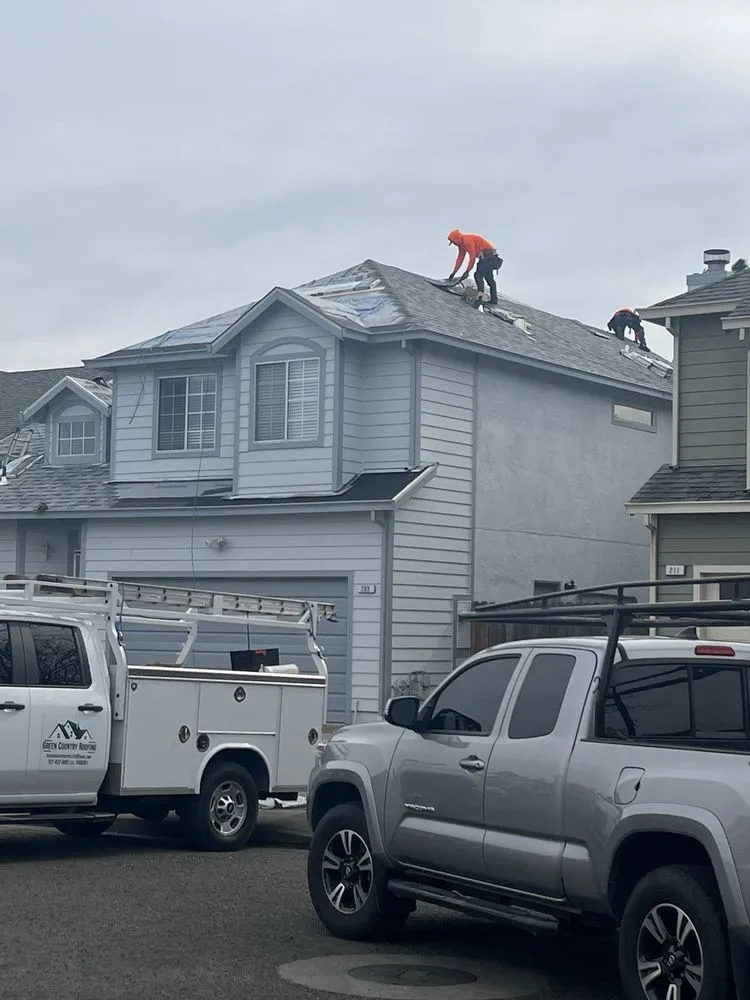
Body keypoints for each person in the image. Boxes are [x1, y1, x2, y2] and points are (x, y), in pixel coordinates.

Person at [447, 229, 503, 305]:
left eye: (453, 241)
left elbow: (472, 256)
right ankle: (494, 299)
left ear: (457, 239)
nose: (453, 243)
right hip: (489, 257)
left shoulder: (467, 240)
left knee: (478, 275)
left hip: (489, 257)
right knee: (489, 278)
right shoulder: (462, 245)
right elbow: (460, 258)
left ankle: (480, 299)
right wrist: (454, 272)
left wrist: (467, 271)